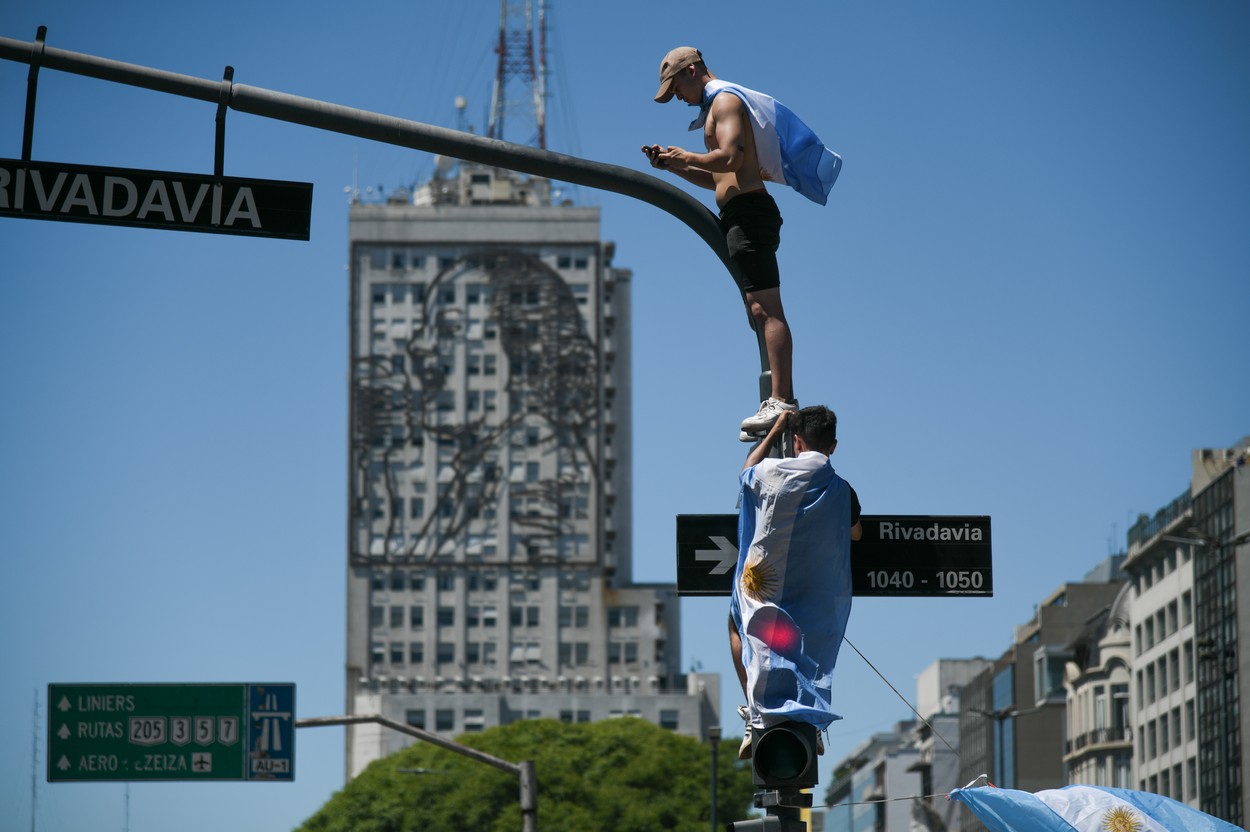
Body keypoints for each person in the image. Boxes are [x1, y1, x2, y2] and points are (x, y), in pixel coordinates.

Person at [644, 46, 841, 439]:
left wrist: (689, 156)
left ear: (693, 70)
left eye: (677, 88)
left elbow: (730, 157)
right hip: (739, 214)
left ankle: (781, 400)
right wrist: (676, 164)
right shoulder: (714, 109)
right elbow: (718, 176)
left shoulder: (726, 101)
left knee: (766, 309)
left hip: (750, 214)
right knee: (757, 309)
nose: (678, 98)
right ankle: (777, 400)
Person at [728, 406, 861, 758]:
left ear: (797, 441)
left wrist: (773, 433)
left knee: (741, 628)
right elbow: (856, 534)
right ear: (833, 445)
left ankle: (756, 715)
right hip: (813, 595)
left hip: (767, 589)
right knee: (807, 651)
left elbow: (744, 473)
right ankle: (810, 723)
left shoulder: (769, 472)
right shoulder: (842, 491)